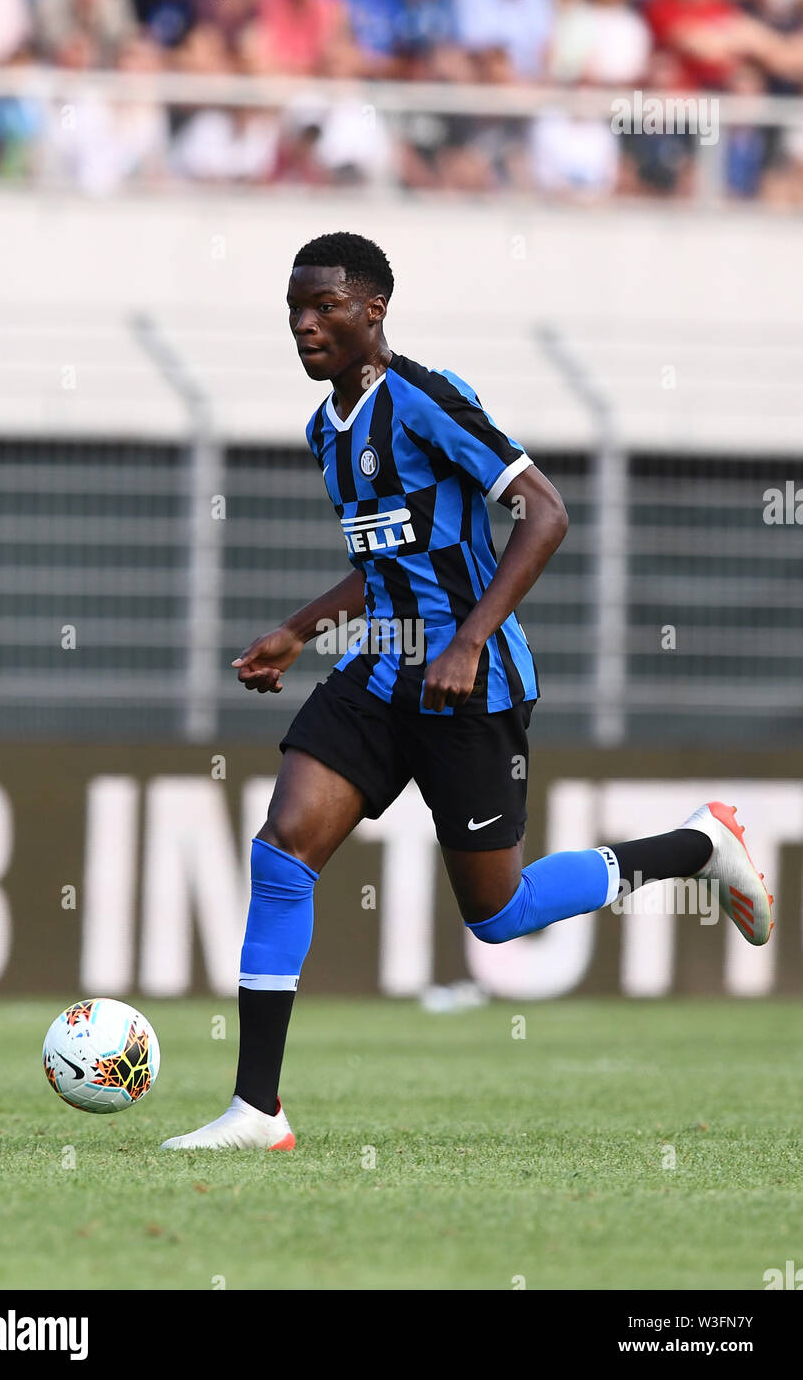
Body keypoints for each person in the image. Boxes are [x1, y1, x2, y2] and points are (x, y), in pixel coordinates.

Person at [161, 231, 774, 1153]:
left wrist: (472, 638)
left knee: (499, 916)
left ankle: (699, 845)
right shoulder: (325, 431)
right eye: (294, 308)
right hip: (378, 671)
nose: (304, 323)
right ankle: (258, 1110)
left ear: (373, 310)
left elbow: (546, 511)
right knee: (282, 851)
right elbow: (381, 565)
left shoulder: (428, 399)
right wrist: (297, 629)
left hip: (468, 686)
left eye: (324, 305)